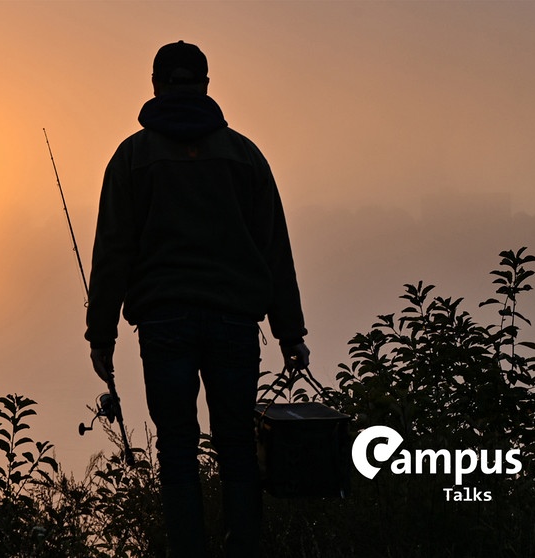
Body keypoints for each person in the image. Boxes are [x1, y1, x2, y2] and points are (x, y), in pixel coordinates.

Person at [84, 41, 310, 558]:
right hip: (234, 323)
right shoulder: (244, 155)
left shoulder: (132, 158)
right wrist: (289, 332)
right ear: (205, 85)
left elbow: (113, 251)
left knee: (177, 450)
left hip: (165, 325)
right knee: (236, 446)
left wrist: (101, 335)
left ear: (156, 86)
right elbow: (275, 249)